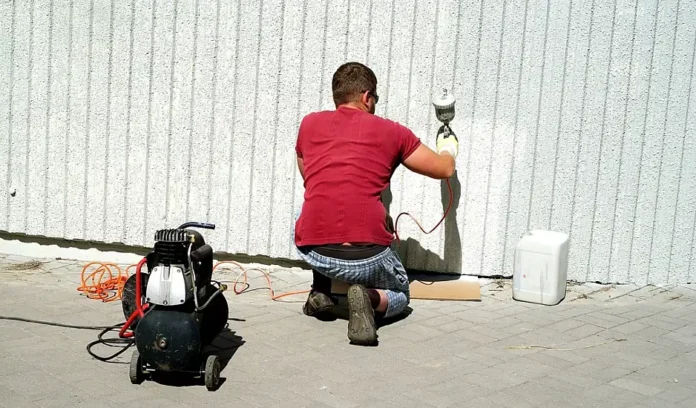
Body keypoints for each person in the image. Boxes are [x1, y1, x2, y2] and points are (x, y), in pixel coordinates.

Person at [293, 62, 459, 346]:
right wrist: (448, 147)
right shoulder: (392, 132)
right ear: (367, 97)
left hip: (315, 251)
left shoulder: (309, 124)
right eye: (376, 99)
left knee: (313, 205)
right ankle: (368, 298)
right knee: (401, 295)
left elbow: (309, 177)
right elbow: (444, 169)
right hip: (367, 257)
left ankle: (320, 292)